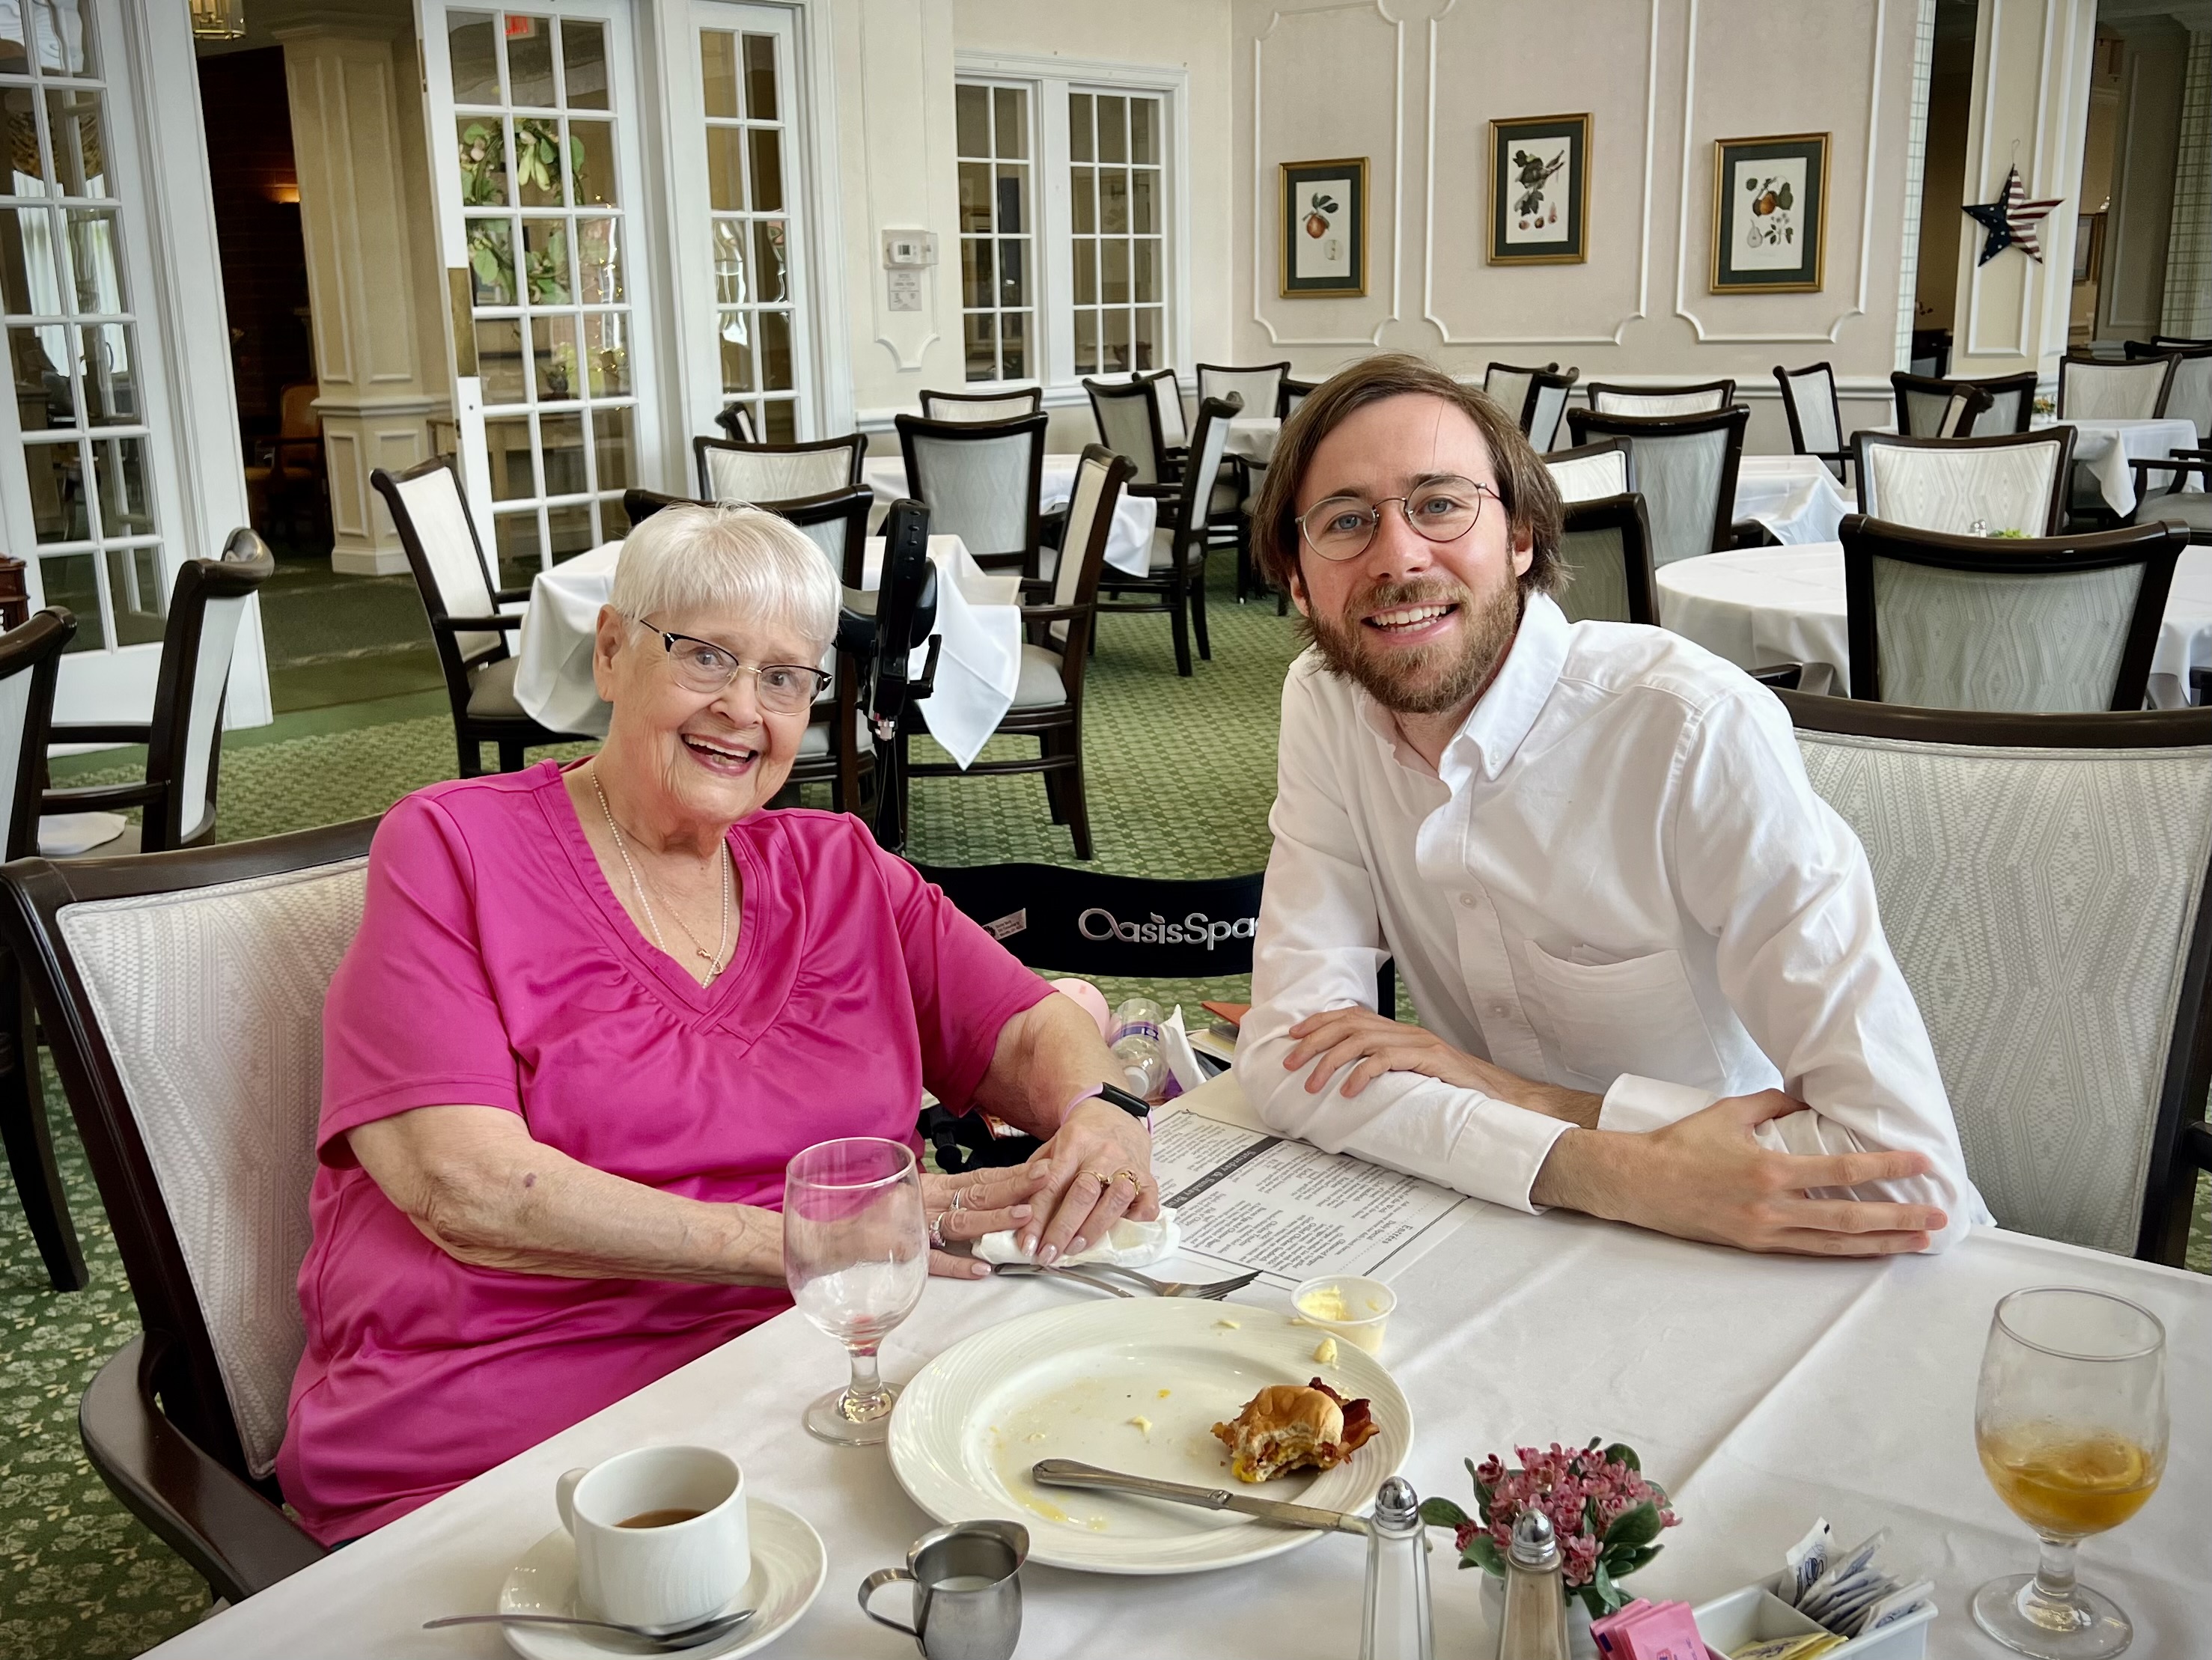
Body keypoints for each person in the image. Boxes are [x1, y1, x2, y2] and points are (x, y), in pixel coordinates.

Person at [281, 503, 1156, 1543]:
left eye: (785, 678)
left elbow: (1026, 1030)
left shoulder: (837, 866)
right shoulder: (452, 850)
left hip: (812, 1378)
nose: (743, 709)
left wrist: (1104, 1109)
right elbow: (463, 1187)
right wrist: (817, 1239)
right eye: (706, 657)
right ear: (612, 651)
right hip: (513, 1416)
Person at [1234, 353, 1987, 1257]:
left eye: (1440, 504)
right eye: (1347, 521)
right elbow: (1288, 1057)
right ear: (1298, 578)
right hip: (1517, 1223)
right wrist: (1603, 1167)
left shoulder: (1691, 731)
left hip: (1764, 1238)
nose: (1398, 556)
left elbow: (1906, 1183)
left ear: (1520, 537)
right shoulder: (1326, 703)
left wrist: (1524, 1098)